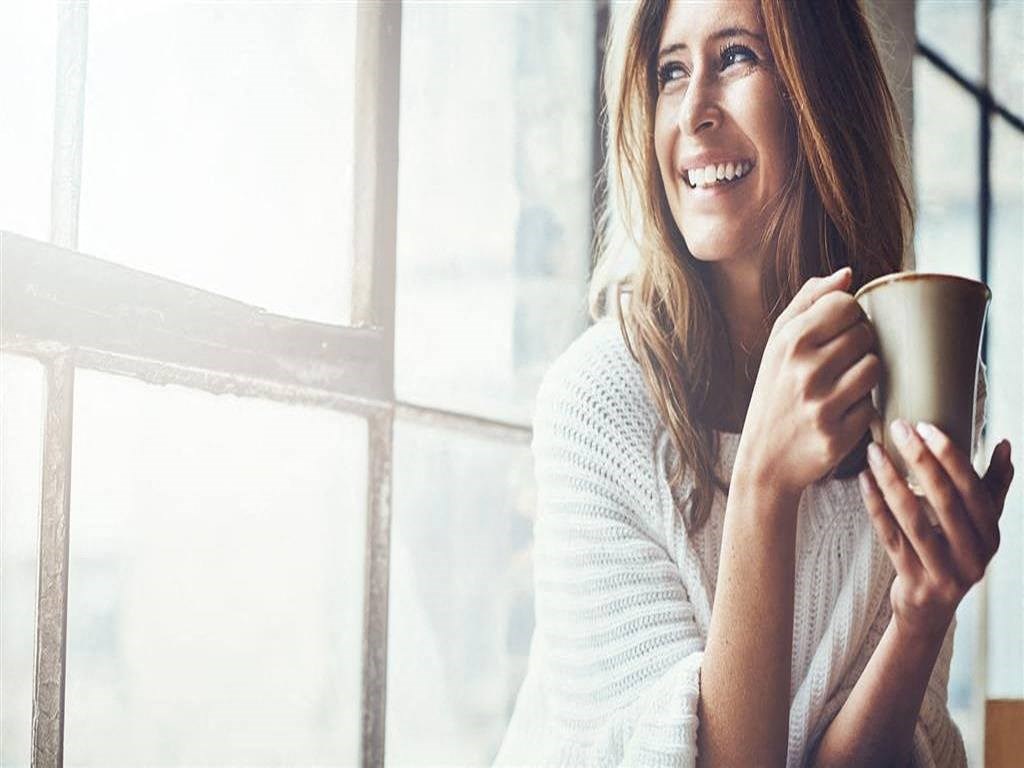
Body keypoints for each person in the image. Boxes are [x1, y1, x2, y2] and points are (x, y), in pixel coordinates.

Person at [493, 1, 1016, 766]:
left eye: (736, 57)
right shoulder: (595, 405)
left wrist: (919, 614)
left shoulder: (914, 386)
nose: (694, 111)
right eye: (671, 71)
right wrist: (765, 485)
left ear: (823, 92)